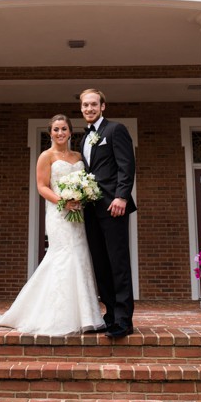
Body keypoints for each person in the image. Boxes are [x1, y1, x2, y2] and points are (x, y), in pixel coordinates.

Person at [0, 115, 105, 335]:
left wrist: (82, 196)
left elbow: (88, 182)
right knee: (62, 257)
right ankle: (57, 314)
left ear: (70, 132)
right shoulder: (46, 156)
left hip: (78, 214)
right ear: (50, 133)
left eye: (64, 129)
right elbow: (42, 187)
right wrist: (63, 201)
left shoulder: (79, 156)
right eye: (56, 130)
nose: (60, 133)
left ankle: (86, 315)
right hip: (59, 214)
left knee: (80, 256)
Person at [80, 88, 138, 339]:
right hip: (91, 210)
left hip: (113, 207)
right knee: (101, 265)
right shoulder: (83, 139)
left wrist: (121, 196)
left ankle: (124, 320)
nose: (89, 109)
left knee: (118, 263)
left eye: (93, 104)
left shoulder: (115, 130)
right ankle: (110, 315)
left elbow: (127, 165)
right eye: (85, 105)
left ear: (103, 106)